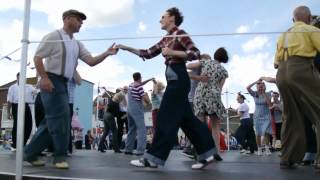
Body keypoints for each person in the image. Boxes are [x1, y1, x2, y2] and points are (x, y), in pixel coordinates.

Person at [116, 7, 217, 170]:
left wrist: (173, 52)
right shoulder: (165, 39)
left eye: (163, 17)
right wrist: (125, 47)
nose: (160, 20)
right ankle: (208, 153)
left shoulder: (180, 33)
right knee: (187, 120)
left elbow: (195, 53)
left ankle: (154, 158)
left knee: (164, 117)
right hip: (173, 79)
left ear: (172, 18)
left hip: (178, 77)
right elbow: (147, 53)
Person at [23, 9, 118, 169]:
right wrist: (44, 78)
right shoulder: (54, 36)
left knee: (52, 120)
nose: (81, 23)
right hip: (51, 79)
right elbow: (38, 57)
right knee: (60, 118)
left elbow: (91, 61)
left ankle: (30, 153)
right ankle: (59, 156)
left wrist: (107, 53)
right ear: (67, 19)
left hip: (63, 83)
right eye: (79, 20)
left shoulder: (76, 43)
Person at [274, 5, 320, 170]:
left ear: (293, 20)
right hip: (301, 68)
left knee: (290, 116)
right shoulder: (311, 29)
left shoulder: (283, 35)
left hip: (282, 73)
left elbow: (275, 63)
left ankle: (287, 158)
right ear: (308, 18)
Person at [187, 49, 229, 154]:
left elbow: (188, 66)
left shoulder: (205, 62)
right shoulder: (224, 71)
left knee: (199, 123)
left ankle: (199, 150)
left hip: (201, 94)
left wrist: (196, 77)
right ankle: (217, 151)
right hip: (213, 96)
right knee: (215, 126)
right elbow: (220, 88)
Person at [124, 72, 154, 156]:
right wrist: (148, 98)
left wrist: (149, 79)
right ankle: (140, 150)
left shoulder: (131, 85)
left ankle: (128, 149)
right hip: (136, 109)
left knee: (131, 129)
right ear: (140, 78)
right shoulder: (139, 87)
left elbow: (140, 83)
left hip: (129, 109)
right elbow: (147, 101)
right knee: (142, 130)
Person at [7, 72, 35, 152]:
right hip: (16, 105)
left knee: (29, 124)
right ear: (17, 78)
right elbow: (9, 101)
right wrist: (9, 112)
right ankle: (14, 145)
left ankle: (23, 144)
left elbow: (36, 91)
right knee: (17, 125)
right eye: (20, 77)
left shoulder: (29, 86)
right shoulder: (12, 87)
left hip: (26, 105)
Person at [247, 80, 272, 156]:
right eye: (259, 85)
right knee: (257, 133)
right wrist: (255, 82)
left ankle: (267, 148)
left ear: (264, 86)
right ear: (257, 86)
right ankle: (259, 149)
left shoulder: (268, 93)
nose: (260, 86)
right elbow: (247, 88)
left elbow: (270, 104)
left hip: (266, 115)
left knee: (266, 132)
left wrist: (264, 93)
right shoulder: (255, 94)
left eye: (262, 85)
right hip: (257, 116)